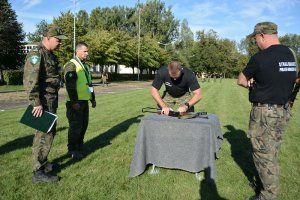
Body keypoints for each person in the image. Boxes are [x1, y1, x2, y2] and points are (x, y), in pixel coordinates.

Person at [237, 22, 297, 200]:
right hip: (283, 111)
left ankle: (268, 196)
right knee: (272, 151)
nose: (256, 42)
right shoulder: (292, 54)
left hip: (265, 113)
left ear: (262, 35)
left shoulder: (260, 58)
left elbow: (241, 80)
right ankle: (263, 184)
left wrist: (251, 81)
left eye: (255, 38)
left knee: (264, 155)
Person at [23, 26, 67, 183]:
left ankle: (44, 161)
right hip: (42, 101)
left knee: (50, 132)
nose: (60, 43)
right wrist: (36, 103)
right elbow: (30, 80)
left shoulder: (51, 55)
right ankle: (38, 171)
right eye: (58, 40)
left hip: (51, 100)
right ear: (48, 38)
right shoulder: (37, 54)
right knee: (43, 134)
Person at [63, 42, 96, 160]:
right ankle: (72, 150)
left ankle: (79, 147)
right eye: (85, 51)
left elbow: (89, 84)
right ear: (78, 51)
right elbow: (70, 86)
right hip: (75, 103)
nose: (87, 53)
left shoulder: (85, 66)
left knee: (83, 126)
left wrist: (93, 98)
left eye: (88, 51)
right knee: (75, 127)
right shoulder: (71, 65)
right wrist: (74, 102)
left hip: (84, 101)